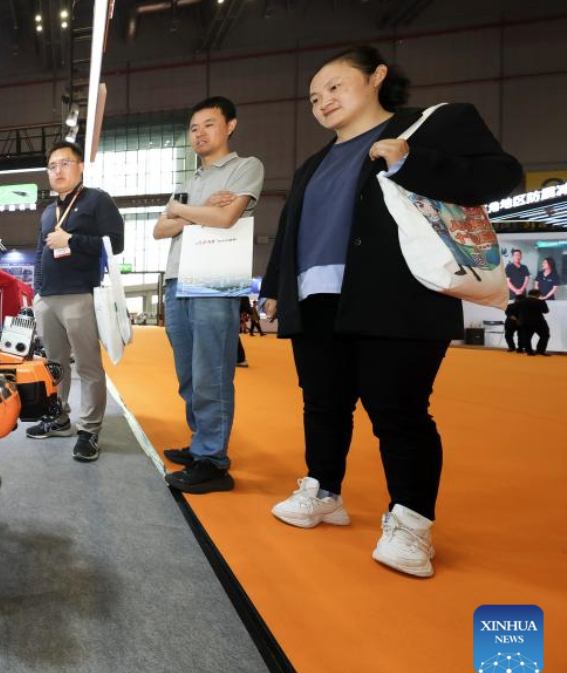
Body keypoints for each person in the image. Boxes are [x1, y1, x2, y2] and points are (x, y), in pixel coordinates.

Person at [259, 46, 521, 577]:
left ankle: (411, 523)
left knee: (397, 409)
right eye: (314, 97)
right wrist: (272, 288)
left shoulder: (431, 126)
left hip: (397, 296)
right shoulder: (315, 163)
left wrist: (409, 160)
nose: (323, 101)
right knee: (322, 402)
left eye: (334, 86)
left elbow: (501, 175)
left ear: (377, 76)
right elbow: (290, 232)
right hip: (316, 299)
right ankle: (324, 489)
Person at [153, 97, 264, 493]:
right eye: (194, 127)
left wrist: (181, 212)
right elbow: (158, 230)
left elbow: (226, 217)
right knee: (188, 373)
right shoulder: (189, 181)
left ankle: (213, 461)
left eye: (209, 125)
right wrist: (196, 209)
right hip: (177, 279)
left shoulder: (245, 167)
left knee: (212, 372)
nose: (200, 134)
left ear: (230, 126)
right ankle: (202, 443)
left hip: (216, 278)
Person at [28, 140, 125, 462]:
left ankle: (90, 430)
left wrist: (73, 239)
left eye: (65, 163)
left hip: (80, 295)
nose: (58, 171)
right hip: (48, 300)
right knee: (55, 367)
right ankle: (60, 418)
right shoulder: (47, 211)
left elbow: (116, 243)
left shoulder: (97, 200)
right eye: (52, 166)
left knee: (87, 366)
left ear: (80, 166)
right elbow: (41, 251)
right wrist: (37, 291)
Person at [518, 289, 551, 356]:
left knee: (527, 338)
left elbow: (516, 311)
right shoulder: (540, 301)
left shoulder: (521, 301)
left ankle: (529, 352)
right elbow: (545, 311)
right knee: (545, 335)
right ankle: (540, 351)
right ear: (538, 294)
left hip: (525, 322)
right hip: (539, 322)